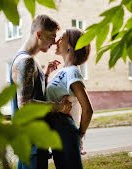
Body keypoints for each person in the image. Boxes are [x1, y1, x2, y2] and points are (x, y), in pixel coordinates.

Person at [10, 15, 72, 169]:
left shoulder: (27, 59)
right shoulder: (27, 61)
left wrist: (44, 75)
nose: (54, 42)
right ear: (39, 34)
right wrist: (59, 107)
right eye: (51, 37)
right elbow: (25, 104)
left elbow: (32, 91)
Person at [45, 28, 94, 169]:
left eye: (62, 38)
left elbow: (88, 110)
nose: (57, 41)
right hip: (57, 132)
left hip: (65, 131)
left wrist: (80, 135)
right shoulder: (62, 71)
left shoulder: (72, 72)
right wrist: (48, 74)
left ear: (71, 46)